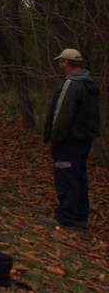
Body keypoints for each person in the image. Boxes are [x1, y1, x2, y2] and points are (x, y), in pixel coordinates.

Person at [41, 48, 100, 229]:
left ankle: (65, 218)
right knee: (79, 176)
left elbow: (62, 114)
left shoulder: (72, 84)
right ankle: (80, 217)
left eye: (61, 62)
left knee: (66, 177)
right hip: (84, 139)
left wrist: (55, 137)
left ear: (65, 62)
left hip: (68, 140)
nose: (60, 65)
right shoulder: (89, 83)